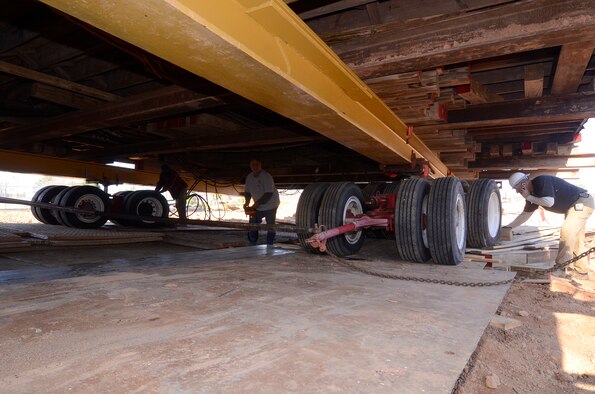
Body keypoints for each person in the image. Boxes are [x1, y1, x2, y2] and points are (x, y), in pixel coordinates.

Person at [504, 172, 593, 278]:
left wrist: (528, 197)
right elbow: (524, 215)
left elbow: (549, 202)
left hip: (582, 202)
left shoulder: (542, 181)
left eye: (516, 188)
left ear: (523, 183)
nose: (517, 191)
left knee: (567, 232)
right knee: (576, 239)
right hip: (574, 206)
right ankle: (581, 272)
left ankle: (560, 268)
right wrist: (507, 227)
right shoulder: (532, 196)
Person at [243, 159, 280, 246]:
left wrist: (257, 203)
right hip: (258, 205)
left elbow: (269, 193)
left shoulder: (266, 176)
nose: (255, 166)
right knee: (253, 224)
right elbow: (247, 192)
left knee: (270, 225)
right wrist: (247, 202)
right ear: (250, 166)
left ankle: (270, 244)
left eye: (257, 164)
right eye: (253, 164)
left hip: (271, 205)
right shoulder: (249, 177)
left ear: (260, 165)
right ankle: (252, 242)